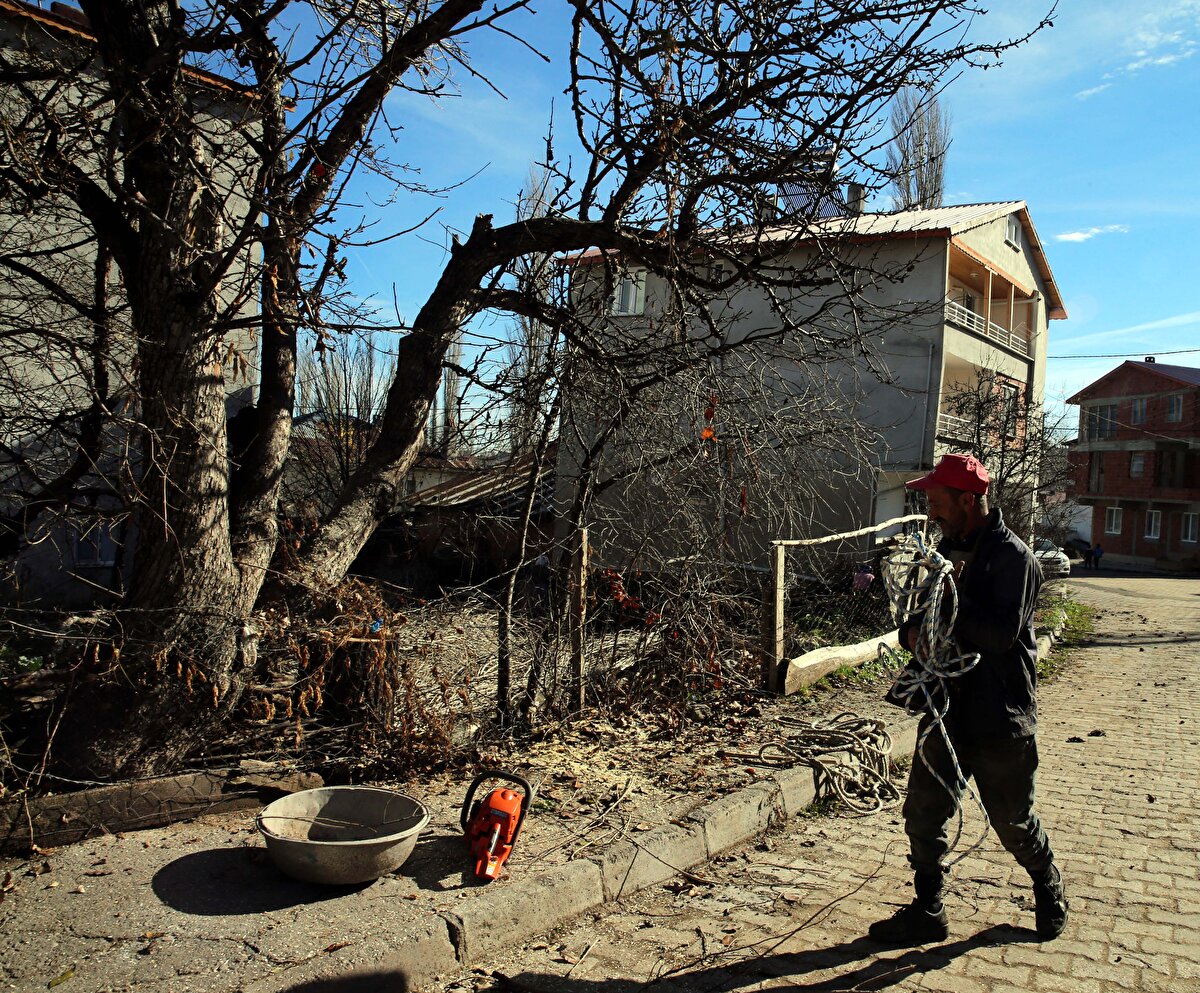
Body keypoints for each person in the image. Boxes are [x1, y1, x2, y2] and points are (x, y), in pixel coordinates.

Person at [869, 453, 1068, 945]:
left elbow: (1000, 635)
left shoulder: (1015, 559)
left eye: (937, 501)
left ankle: (1048, 885)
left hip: (1001, 716)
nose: (931, 511)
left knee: (1013, 822)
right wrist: (911, 635)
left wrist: (952, 601)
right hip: (947, 707)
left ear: (966, 499)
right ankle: (928, 910)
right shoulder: (944, 548)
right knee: (923, 812)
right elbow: (920, 616)